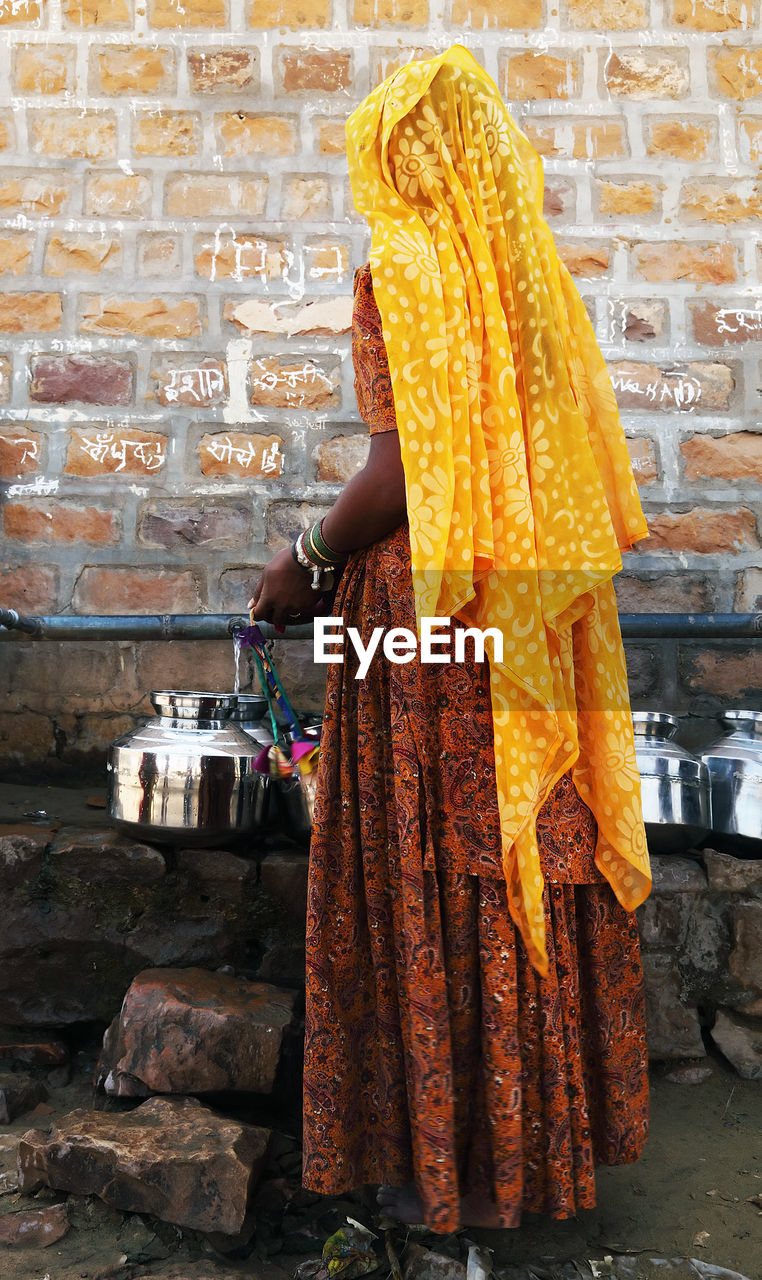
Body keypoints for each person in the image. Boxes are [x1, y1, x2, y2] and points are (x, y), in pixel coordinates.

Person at [249, 45, 652, 1233]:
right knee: (519, 850)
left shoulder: (408, 268)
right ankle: (524, 1166)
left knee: (416, 856)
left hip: (416, 632)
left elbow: (405, 465)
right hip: (521, 622)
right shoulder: (527, 276)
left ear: (403, 152)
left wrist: (306, 564)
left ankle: (443, 1172)